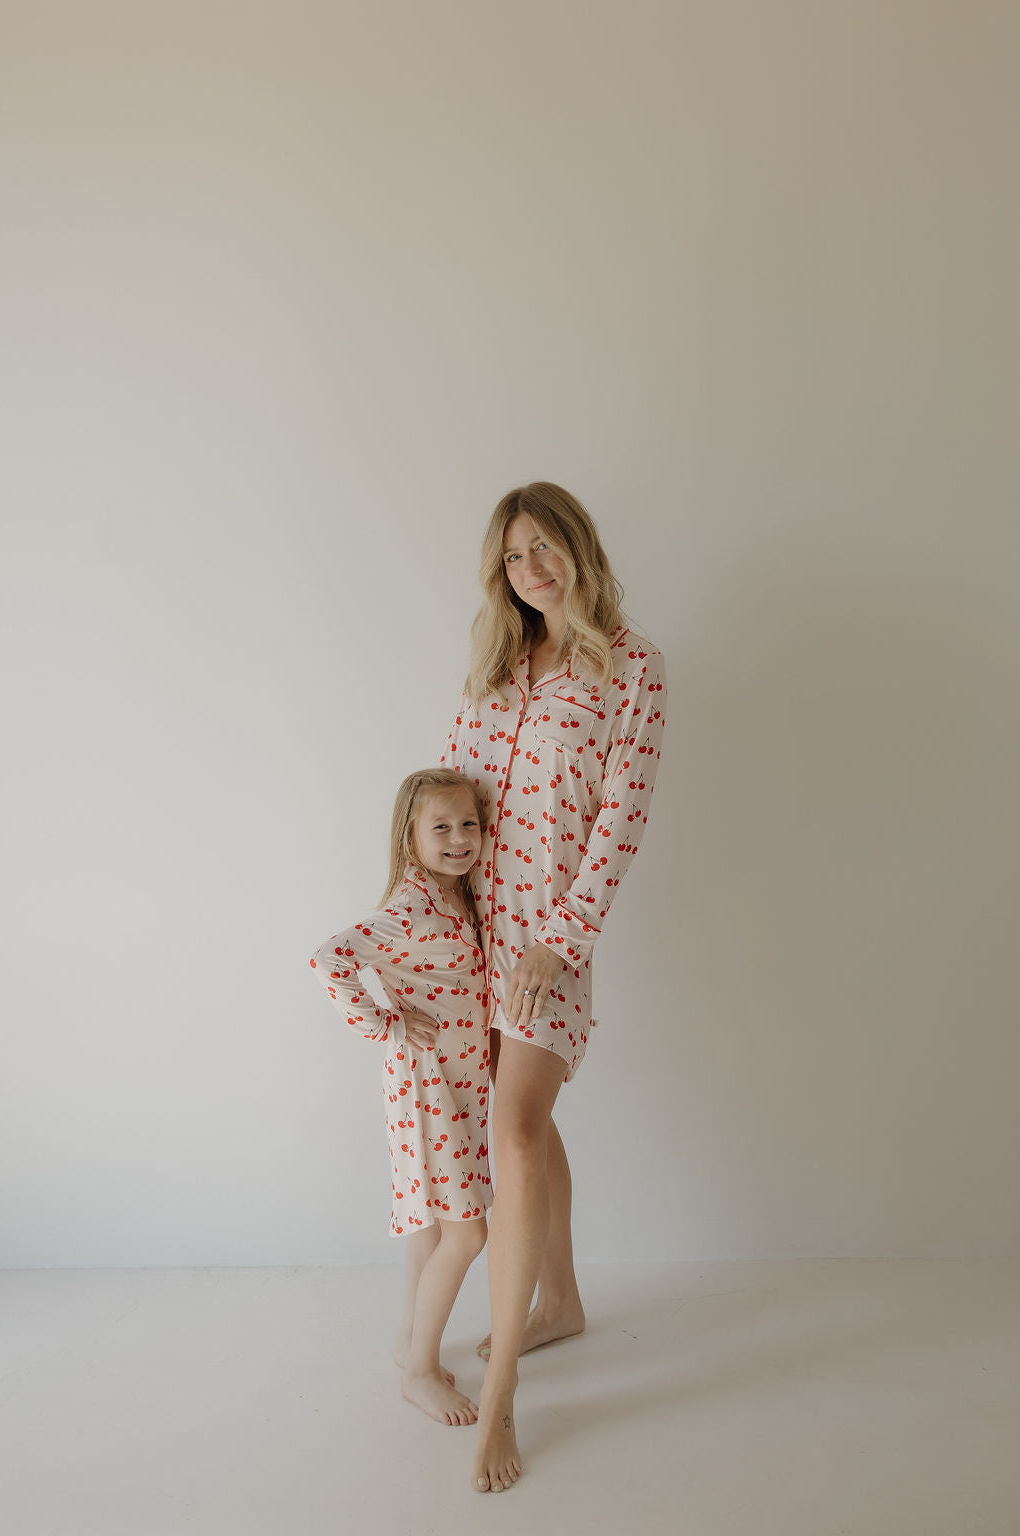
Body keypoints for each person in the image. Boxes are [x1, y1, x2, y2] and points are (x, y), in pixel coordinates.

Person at [442, 482, 666, 1492]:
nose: (528, 571)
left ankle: (499, 1411)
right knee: (523, 1125)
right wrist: (426, 925)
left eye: (542, 549)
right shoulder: (495, 667)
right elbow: (450, 796)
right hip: (471, 936)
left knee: (516, 1132)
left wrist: (559, 941)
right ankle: (560, 1301)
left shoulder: (631, 669)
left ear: (576, 546)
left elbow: (619, 827)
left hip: (548, 944)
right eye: (510, 559)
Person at [310, 768, 493, 1427]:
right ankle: (419, 1372)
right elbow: (329, 959)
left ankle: (408, 1342)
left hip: (459, 1084)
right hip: (430, 1088)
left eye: (468, 824)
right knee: (467, 1235)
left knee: (436, 1225)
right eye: (440, 827)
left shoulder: (455, 896)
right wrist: (384, 1024)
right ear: (409, 836)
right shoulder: (411, 906)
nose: (458, 838)